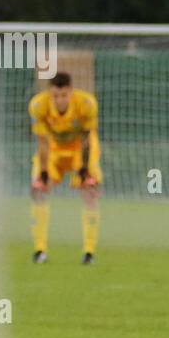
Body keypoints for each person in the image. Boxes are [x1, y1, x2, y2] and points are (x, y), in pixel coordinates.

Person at [29, 72, 100, 265]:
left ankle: (89, 252)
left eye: (63, 95)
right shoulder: (38, 105)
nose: (59, 100)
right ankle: (40, 250)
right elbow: (42, 142)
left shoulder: (86, 104)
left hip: (80, 151)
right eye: (55, 96)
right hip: (53, 151)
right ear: (50, 94)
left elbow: (86, 139)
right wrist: (43, 172)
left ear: (70, 92)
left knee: (90, 191)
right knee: (38, 190)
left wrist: (84, 169)